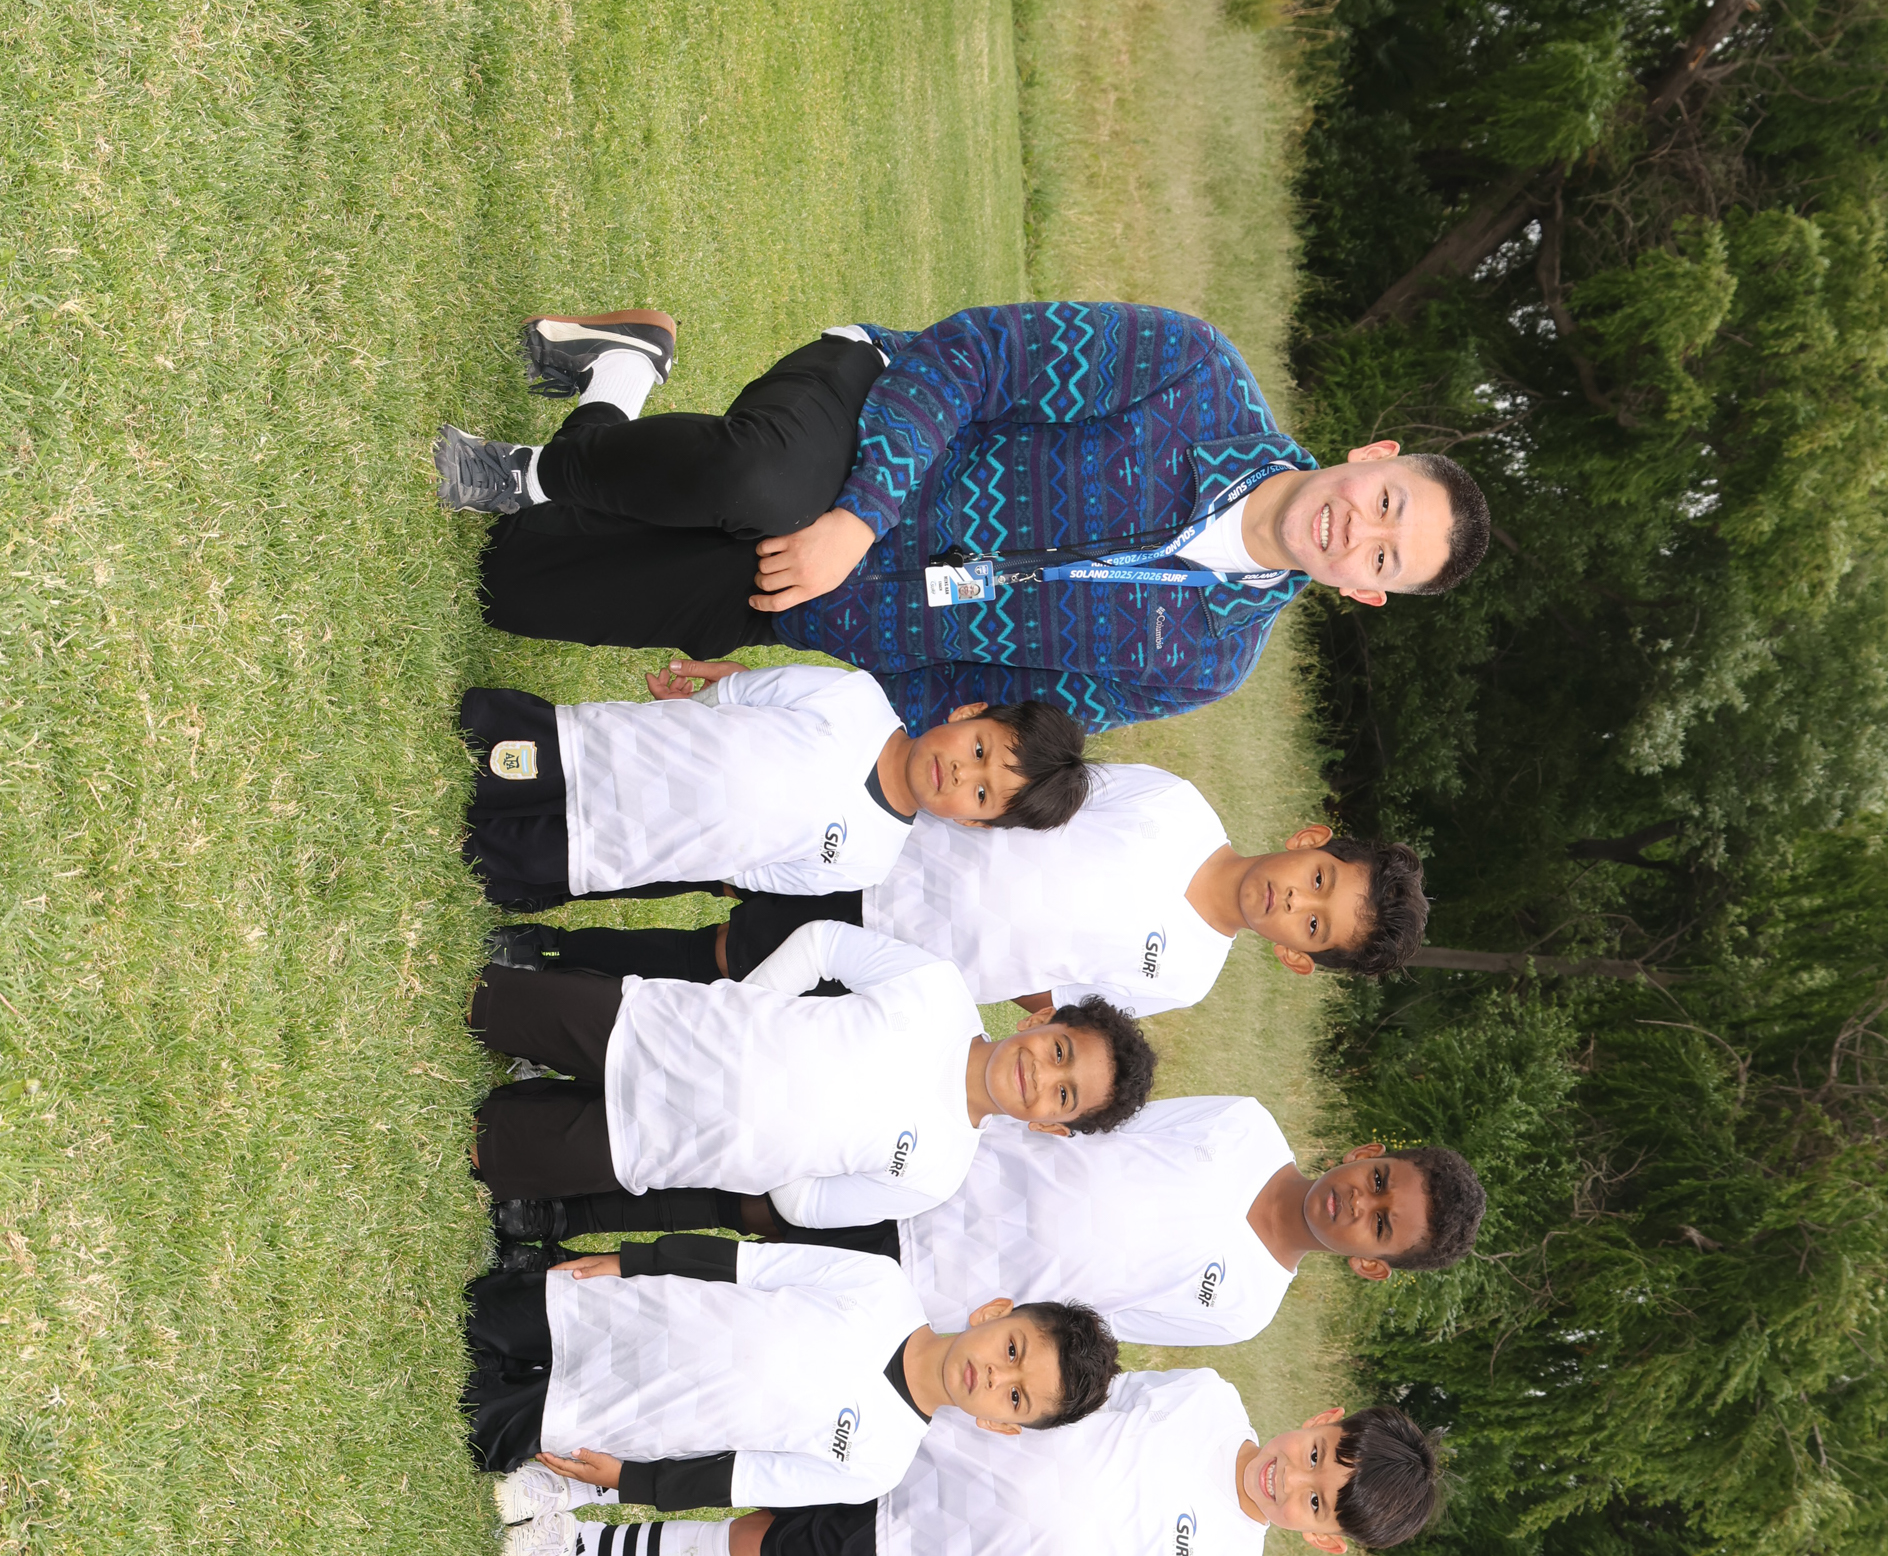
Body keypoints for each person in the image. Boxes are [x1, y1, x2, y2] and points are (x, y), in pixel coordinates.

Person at [435, 304, 1491, 735]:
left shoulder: (1204, 661)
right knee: (755, 480)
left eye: (1383, 559)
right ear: (1372, 458)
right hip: (868, 419)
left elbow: (976, 708)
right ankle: (529, 471)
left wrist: (770, 679)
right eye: (1384, 505)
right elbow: (972, 356)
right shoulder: (1194, 374)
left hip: (820, 600)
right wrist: (860, 515)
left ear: (1366, 594)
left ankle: (622, 366)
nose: (1357, 533)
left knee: (509, 585)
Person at [520, 1380, 1441, 1556]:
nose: (1294, 1479)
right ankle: (589, 1480)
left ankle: (585, 1545)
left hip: (935, 1547)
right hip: (937, 1443)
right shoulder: (1207, 1399)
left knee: (762, 1546)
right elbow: (1090, 1393)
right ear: (1321, 1420)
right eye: (1317, 1455)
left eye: (1314, 1501)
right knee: (764, 1454)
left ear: (1323, 1538)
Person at [488, 1111, 1489, 1345]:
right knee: (750, 1196)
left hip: (945, 1284)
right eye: (1378, 1181)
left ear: (1372, 1266)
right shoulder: (1243, 1129)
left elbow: (1097, 1325)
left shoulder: (1244, 1310)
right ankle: (563, 1210)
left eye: (1379, 1226)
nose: (1356, 1203)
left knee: (748, 1279)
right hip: (955, 1163)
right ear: (1369, 1151)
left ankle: (567, 1293)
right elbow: (1102, 1121)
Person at [485, 777, 1429, 1022]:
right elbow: (1045, 791)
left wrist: (1003, 959)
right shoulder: (1178, 808)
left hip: (902, 950)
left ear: (1298, 954)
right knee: (729, 860)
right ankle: (545, 871)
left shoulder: (1184, 976)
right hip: (901, 844)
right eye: (1318, 880)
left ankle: (553, 960)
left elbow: (1056, 1003)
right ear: (1311, 840)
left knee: (729, 959)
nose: (1293, 899)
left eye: (1313, 923)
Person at [465, 920, 1156, 1224]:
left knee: (481, 1147)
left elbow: (806, 1208)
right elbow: (825, 945)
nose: (1043, 1077)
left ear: (1053, 1127)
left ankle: (533, 1098)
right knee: (481, 1005)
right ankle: (537, 1054)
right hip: (656, 1028)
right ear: (1041, 1021)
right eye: (1060, 1052)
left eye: (1064, 1097)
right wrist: (746, 1008)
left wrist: (762, 1147)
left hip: (656, 1145)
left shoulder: (936, 1174)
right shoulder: (939, 990)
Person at [463, 1235, 1121, 1509]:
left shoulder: (880, 1465)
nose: (997, 1376)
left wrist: (630, 1480)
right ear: (996, 1313)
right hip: (611, 1313)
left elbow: (737, 1478)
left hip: (621, 1414)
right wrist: (631, 1261)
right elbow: (742, 1264)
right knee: (472, 1313)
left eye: (1016, 1398)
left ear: (1001, 1425)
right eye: (1013, 1350)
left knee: (472, 1422)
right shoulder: (881, 1283)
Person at [458, 661, 1089, 913]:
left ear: (973, 823)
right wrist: (685, 710)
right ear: (968, 714)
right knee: (482, 756)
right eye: (978, 751)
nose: (960, 773)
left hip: (618, 845)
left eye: (980, 795)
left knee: (485, 858)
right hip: (607, 751)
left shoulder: (870, 860)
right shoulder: (857, 696)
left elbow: (757, 874)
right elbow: (741, 693)